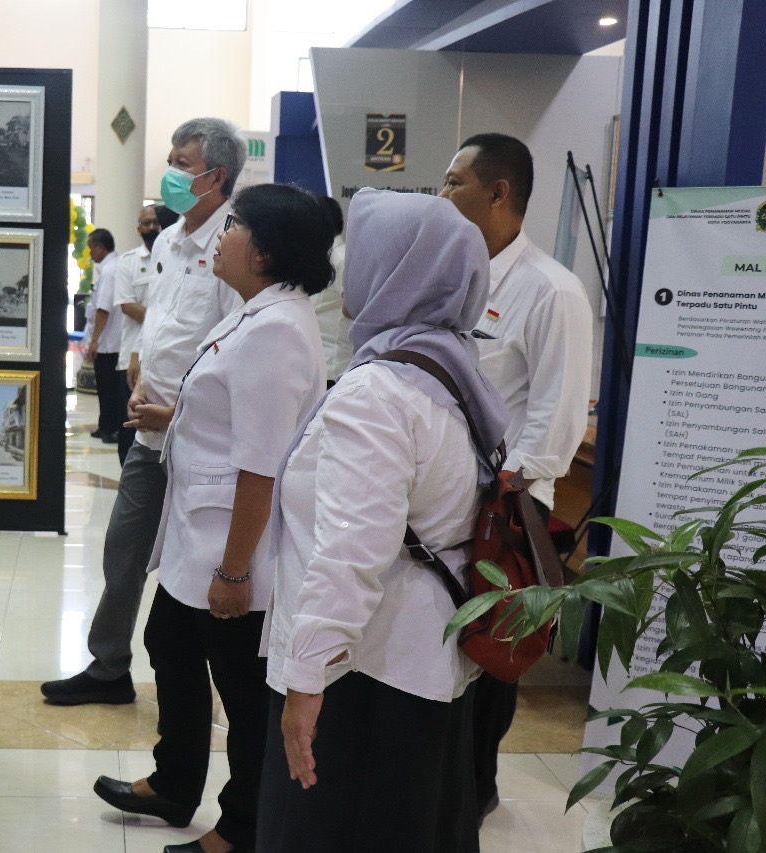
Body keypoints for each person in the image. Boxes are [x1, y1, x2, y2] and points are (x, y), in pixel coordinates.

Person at [257, 189, 508, 852]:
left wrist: (305, 681)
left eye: (362, 256)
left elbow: (351, 552)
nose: (346, 273)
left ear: (400, 271)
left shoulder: (379, 392)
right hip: (423, 663)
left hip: (364, 674)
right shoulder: (446, 369)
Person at [93, 184, 331, 853]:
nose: (221, 239)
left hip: (235, 547)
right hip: (200, 534)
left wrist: (234, 571)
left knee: (245, 696)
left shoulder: (278, 331)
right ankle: (174, 781)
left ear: (267, 250)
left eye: (234, 228)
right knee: (167, 641)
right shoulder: (254, 313)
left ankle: (243, 827)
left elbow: (262, 464)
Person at [41, 117, 246, 706]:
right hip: (149, 429)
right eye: (173, 160)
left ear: (217, 176)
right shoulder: (173, 238)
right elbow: (162, 318)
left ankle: (216, 686)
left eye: (183, 164)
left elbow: (236, 346)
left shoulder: (236, 244)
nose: (172, 173)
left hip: (208, 442)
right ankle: (108, 668)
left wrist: (179, 408)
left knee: (198, 564)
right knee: (123, 547)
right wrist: (139, 371)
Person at [439, 132, 593, 821]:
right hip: (448, 503)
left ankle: (476, 788)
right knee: (447, 648)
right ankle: (448, 782)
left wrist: (502, 496)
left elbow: (555, 423)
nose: (444, 196)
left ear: (498, 193)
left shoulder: (552, 290)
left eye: (454, 182)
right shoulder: (458, 275)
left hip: (508, 510)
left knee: (492, 651)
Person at [114, 204, 179, 463]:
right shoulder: (129, 262)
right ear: (138, 228)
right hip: (131, 356)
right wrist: (170, 318)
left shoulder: (180, 258)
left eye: (155, 222)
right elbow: (127, 305)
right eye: (145, 223)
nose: (151, 227)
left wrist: (164, 318)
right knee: (130, 428)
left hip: (169, 358)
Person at [307, 196, 349, 384]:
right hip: (315, 367)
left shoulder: (343, 259)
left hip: (333, 371)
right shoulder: (319, 258)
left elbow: (357, 310)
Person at [87, 229, 123, 443]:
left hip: (109, 343)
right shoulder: (114, 266)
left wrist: (94, 340)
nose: (90, 252)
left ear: (100, 247)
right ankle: (105, 425)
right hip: (114, 341)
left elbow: (103, 309)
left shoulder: (109, 271)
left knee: (108, 388)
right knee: (108, 388)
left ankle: (110, 428)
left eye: (91, 247)